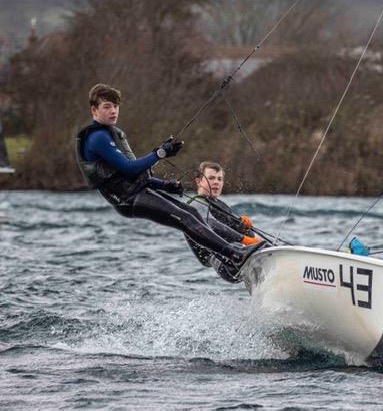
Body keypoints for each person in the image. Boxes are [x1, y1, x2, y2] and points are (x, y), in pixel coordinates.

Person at [75, 83, 262, 276]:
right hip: (129, 200)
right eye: (107, 107)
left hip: (138, 191)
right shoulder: (98, 138)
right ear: (94, 110)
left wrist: (165, 185)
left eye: (116, 106)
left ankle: (228, 257)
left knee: (192, 213)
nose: (113, 111)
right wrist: (160, 153)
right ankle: (235, 254)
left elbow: (135, 175)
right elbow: (130, 169)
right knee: (186, 218)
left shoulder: (111, 134)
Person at [185, 161, 266, 282]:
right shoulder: (196, 204)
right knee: (247, 244)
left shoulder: (219, 204)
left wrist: (243, 224)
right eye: (211, 178)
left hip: (239, 254)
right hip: (223, 262)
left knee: (266, 243)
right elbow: (210, 224)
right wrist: (245, 240)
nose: (216, 182)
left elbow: (233, 227)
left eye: (219, 179)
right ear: (199, 181)